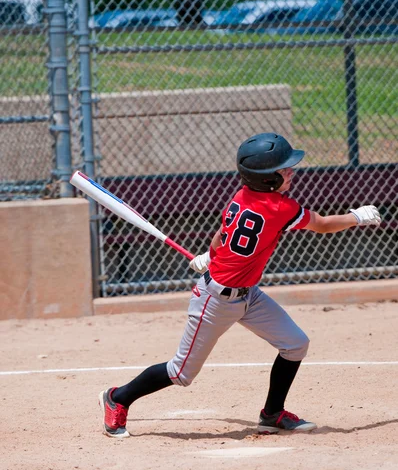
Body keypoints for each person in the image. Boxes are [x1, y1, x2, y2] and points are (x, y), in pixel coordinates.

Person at [99, 132, 381, 438]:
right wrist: (355, 217)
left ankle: (272, 414)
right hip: (216, 300)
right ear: (267, 179)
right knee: (181, 373)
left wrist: (212, 254)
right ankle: (118, 397)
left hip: (249, 295)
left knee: (295, 344)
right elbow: (324, 225)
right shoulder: (279, 208)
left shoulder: (241, 196)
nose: (292, 172)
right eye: (284, 170)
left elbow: (223, 234)